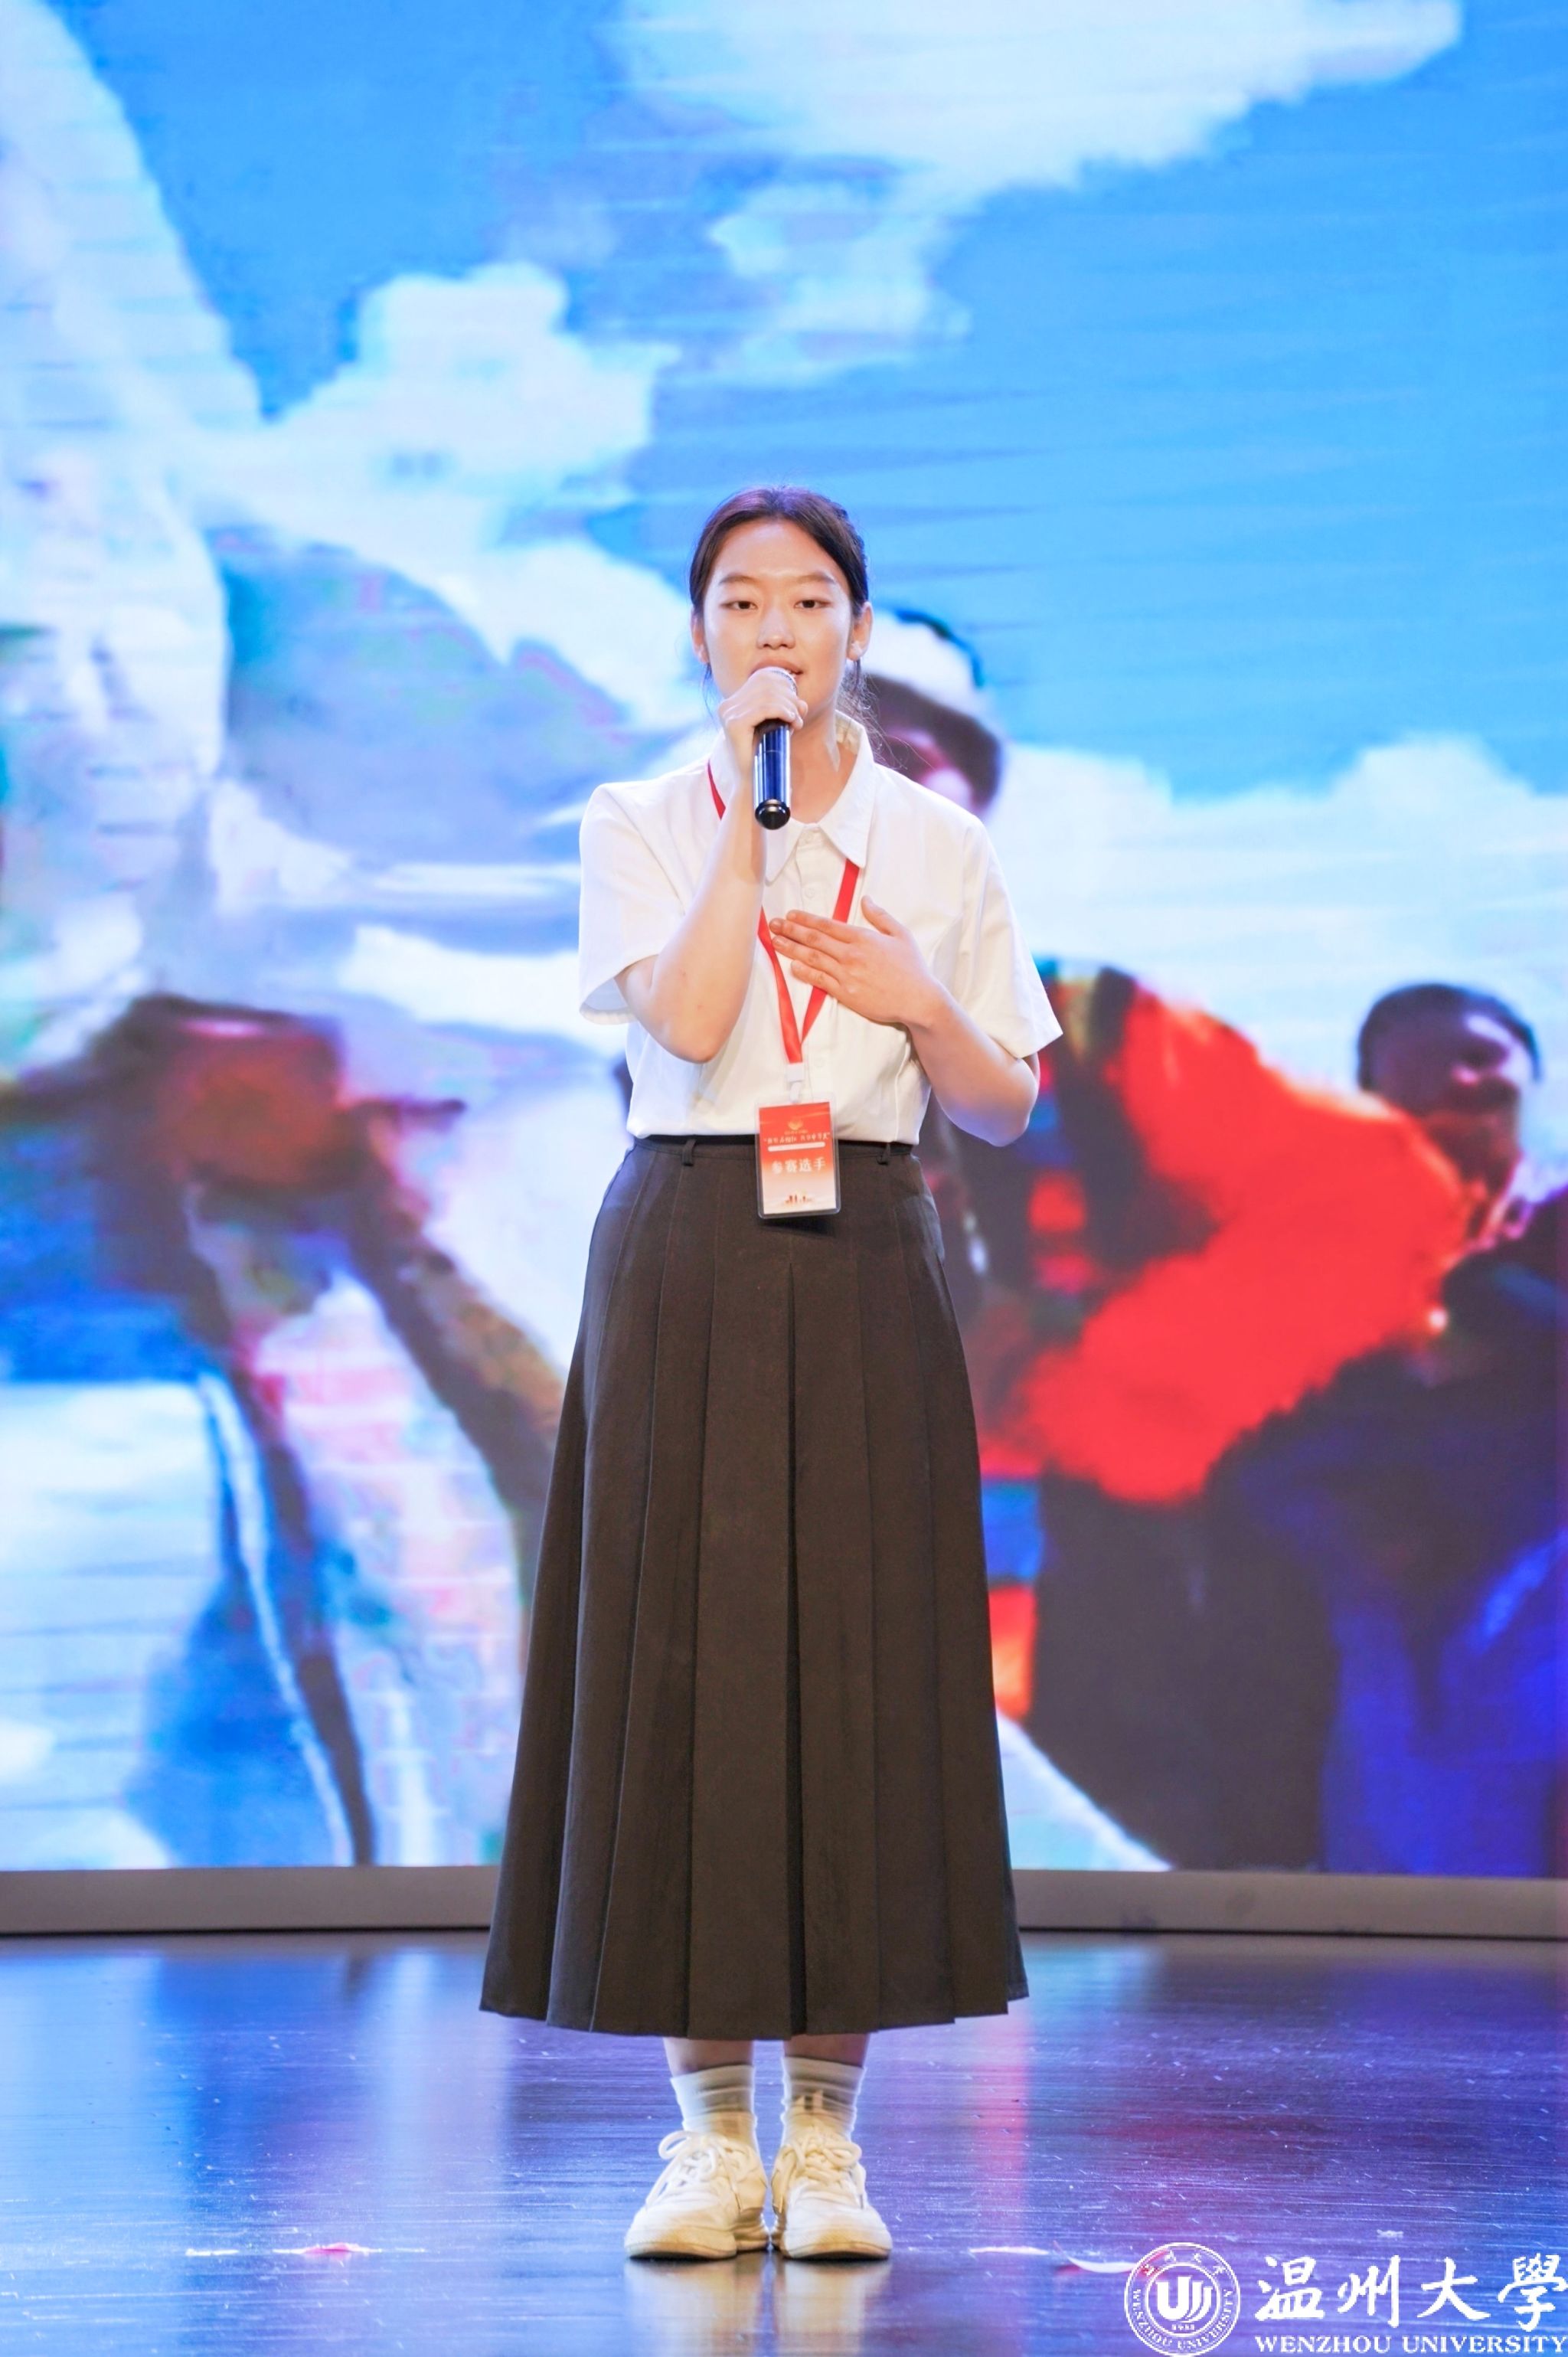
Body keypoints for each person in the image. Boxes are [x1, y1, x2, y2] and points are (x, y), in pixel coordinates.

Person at [479, 486, 1061, 2261]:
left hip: (864, 1235)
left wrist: (913, 993)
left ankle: (826, 2142)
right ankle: (706, 2145)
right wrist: (749, 815)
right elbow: (683, 1017)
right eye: (741, 603)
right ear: (700, 633)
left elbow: (1000, 1104)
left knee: (854, 1666)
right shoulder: (640, 816)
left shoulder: (936, 845)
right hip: (685, 1237)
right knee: (684, 1666)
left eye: (808, 601)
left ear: (856, 629)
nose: (776, 631)